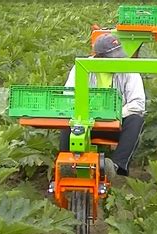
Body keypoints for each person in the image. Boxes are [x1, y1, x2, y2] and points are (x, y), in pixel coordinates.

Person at [59, 34, 146, 178]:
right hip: (86, 124)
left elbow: (138, 103)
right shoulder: (81, 67)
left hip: (116, 124)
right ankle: (67, 164)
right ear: (98, 56)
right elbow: (68, 96)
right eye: (112, 57)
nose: (117, 60)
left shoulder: (129, 69)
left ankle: (116, 166)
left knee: (136, 120)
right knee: (69, 121)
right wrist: (88, 113)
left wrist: (115, 114)